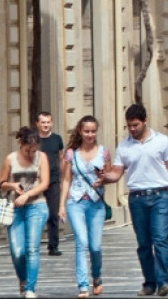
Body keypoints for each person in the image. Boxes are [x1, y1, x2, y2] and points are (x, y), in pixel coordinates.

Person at [99, 103, 168, 298]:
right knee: (144, 243)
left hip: (159, 196)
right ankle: (149, 282)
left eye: (135, 125)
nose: (132, 129)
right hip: (137, 198)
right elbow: (117, 173)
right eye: (129, 126)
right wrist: (104, 178)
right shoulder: (124, 146)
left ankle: (164, 281)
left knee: (160, 239)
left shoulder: (162, 141)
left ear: (145, 121)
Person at [60, 115, 109, 299]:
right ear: (80, 131)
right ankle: (83, 285)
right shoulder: (71, 153)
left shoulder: (104, 152)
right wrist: (61, 206)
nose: (90, 134)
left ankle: (96, 276)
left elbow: (110, 176)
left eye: (93, 131)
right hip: (76, 201)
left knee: (95, 246)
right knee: (82, 242)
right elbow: (66, 180)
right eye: (86, 131)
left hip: (96, 203)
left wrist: (103, 177)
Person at [0, 127, 50, 299]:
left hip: (37, 205)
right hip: (16, 208)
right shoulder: (10, 159)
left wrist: (27, 194)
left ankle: (30, 288)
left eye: (34, 150)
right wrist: (13, 185)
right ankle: (23, 279)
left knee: (32, 249)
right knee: (17, 250)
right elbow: (1, 183)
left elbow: (45, 183)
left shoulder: (41, 157)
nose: (31, 153)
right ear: (21, 144)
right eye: (27, 149)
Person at [34, 112, 64, 257]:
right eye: (43, 122)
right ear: (37, 124)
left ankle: (53, 246)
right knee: (36, 213)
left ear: (51, 123)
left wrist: (63, 178)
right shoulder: (34, 140)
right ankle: (34, 245)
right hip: (37, 181)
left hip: (53, 181)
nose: (46, 125)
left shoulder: (57, 139)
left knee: (53, 214)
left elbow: (61, 158)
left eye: (48, 122)